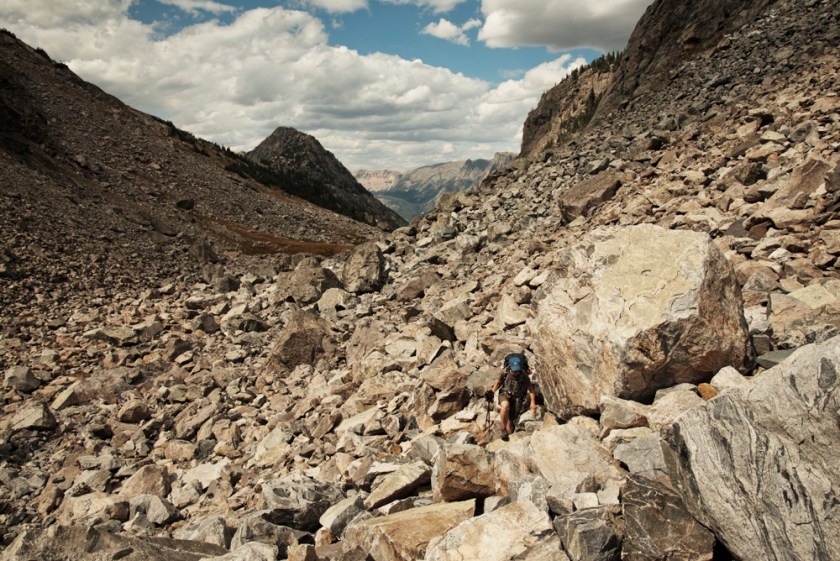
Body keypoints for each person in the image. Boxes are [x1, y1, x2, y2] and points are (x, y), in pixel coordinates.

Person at [487, 353, 537, 441]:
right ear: (510, 368)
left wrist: (533, 403)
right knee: (505, 406)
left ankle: (510, 435)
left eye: (518, 370)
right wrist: (491, 392)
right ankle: (503, 429)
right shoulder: (504, 373)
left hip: (517, 398)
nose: (516, 372)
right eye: (514, 370)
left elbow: (531, 389)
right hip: (504, 394)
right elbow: (498, 383)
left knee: (511, 420)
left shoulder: (523, 376)